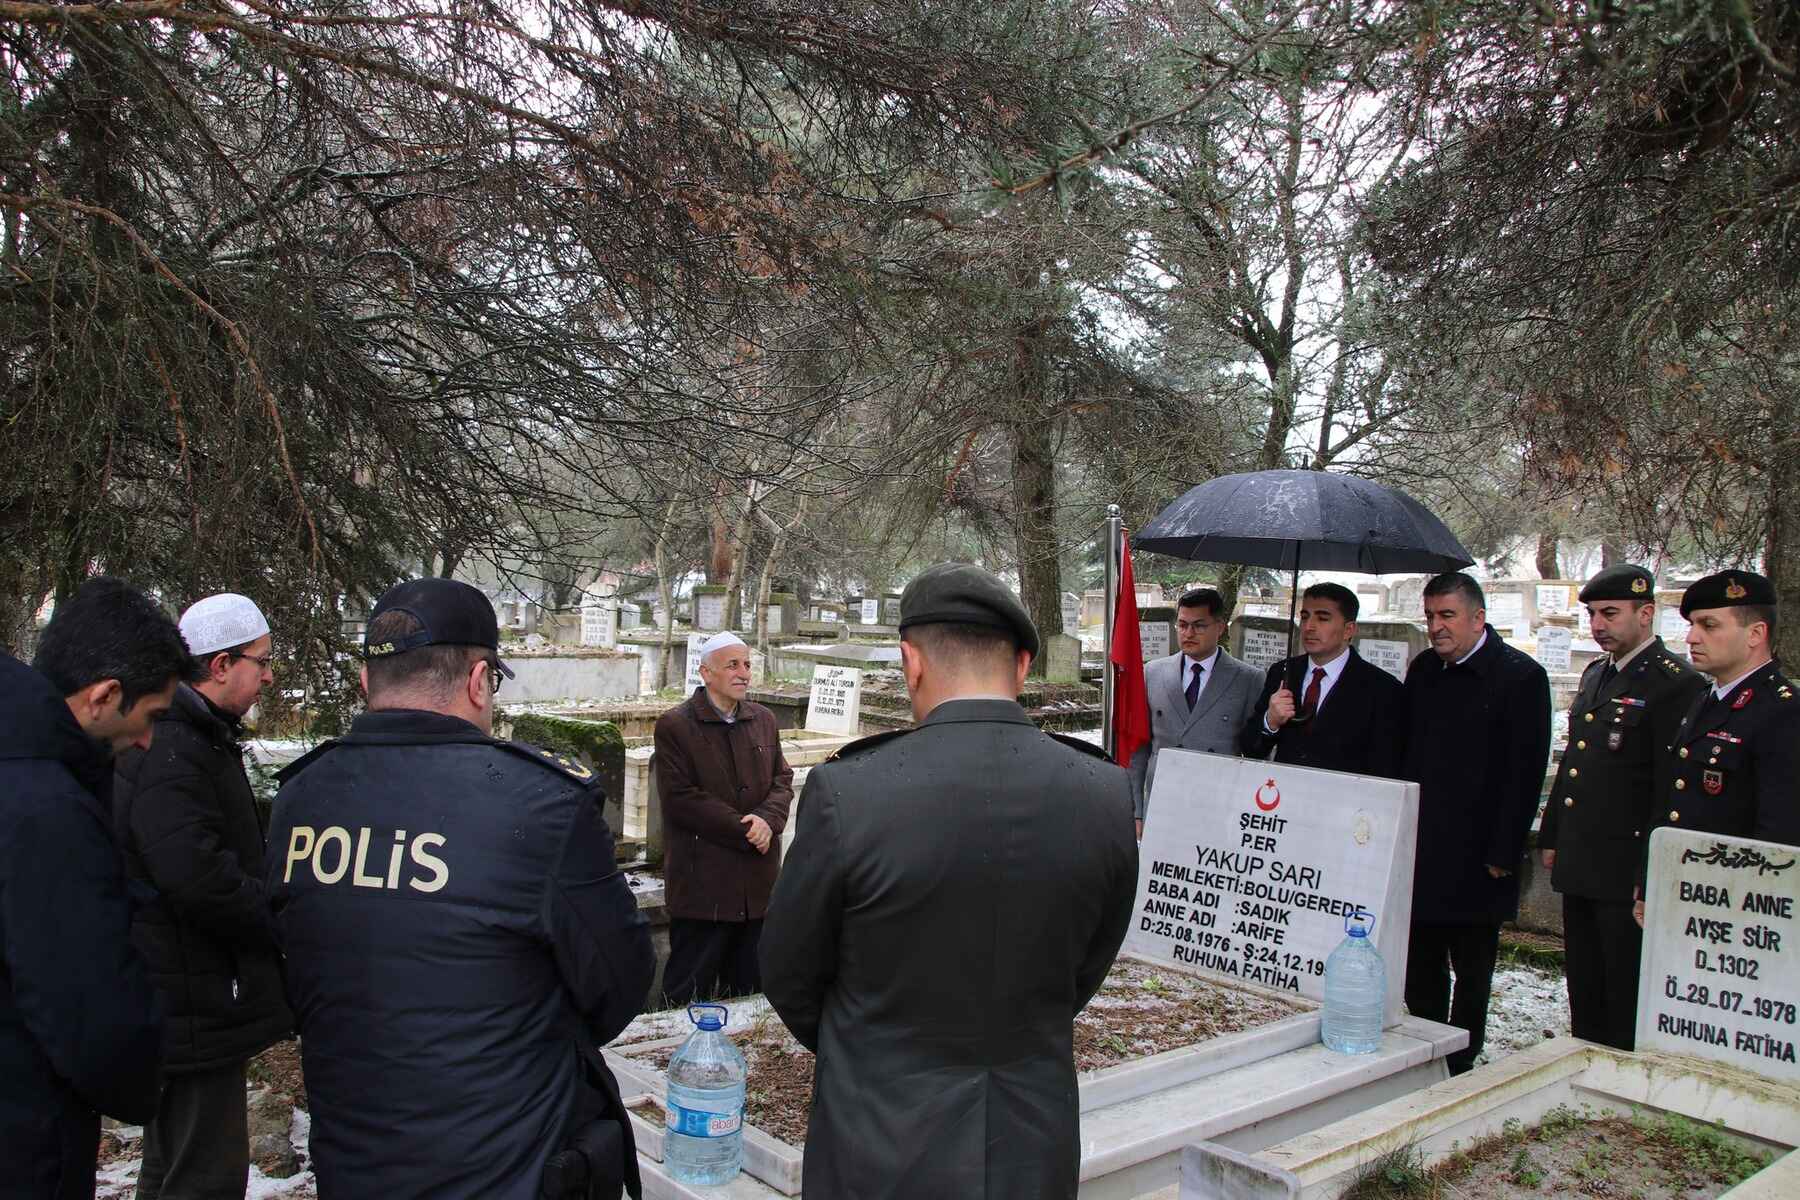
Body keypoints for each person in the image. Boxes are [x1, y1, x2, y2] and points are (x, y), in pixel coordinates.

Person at [760, 562, 1138, 1200]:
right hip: (1030, 1139)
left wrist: (869, 1045)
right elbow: (1086, 965)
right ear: (1022, 666)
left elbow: (788, 969)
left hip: (882, 1135)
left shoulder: (850, 793)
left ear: (910, 662)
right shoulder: (1103, 791)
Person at [266, 578, 653, 1200]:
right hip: (505, 1164)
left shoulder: (301, 798)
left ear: (369, 683)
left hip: (356, 1158)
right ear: (478, 681)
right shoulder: (541, 803)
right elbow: (619, 982)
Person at [1, 577, 189, 1200]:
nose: (147, 741)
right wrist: (140, 1076)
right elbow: (87, 1005)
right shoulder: (49, 812)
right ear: (104, 696)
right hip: (27, 1140)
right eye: (150, 717)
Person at [114, 593, 296, 1199]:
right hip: (190, 997)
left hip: (184, 995)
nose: (269, 675)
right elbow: (196, 875)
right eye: (261, 661)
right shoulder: (175, 744)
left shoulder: (191, 733)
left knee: (172, 1166)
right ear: (220, 666)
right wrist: (274, 914)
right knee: (206, 1175)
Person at [1535, 565, 1701, 1051]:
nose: (1598, 624)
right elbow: (1576, 766)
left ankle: (1619, 1066)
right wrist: (1552, 834)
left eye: (1610, 613)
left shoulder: (1674, 684)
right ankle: (1583, 1054)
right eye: (1592, 614)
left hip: (1624, 864)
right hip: (1581, 858)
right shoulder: (1596, 673)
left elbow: (1666, 790)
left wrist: (1649, 871)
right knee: (1584, 981)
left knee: (1622, 983)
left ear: (1646, 613)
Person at [1401, 571, 1550, 1075]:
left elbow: (1524, 772)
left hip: (1479, 854)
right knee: (1421, 961)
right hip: (1424, 846)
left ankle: (1462, 1059)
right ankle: (1422, 1050)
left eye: (1447, 616)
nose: (1436, 627)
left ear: (1478, 618)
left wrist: (1503, 853)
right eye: (1429, 617)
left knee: (1471, 967)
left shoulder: (1520, 677)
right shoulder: (1423, 670)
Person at [652, 630, 793, 1007]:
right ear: (706, 672)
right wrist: (746, 829)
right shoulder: (675, 726)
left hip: (757, 889)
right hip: (704, 888)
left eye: (747, 664)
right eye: (733, 665)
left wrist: (767, 819)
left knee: (749, 996)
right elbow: (682, 798)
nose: (743, 672)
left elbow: (782, 780)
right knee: (687, 996)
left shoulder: (763, 719)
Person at [1642, 570, 1800, 890]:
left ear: (1755, 633)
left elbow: (1778, 835)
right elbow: (1672, 800)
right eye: (1692, 625)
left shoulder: (1783, 710)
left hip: (1736, 898)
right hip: (1683, 886)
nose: (1692, 638)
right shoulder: (1706, 698)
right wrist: (1648, 880)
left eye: (1709, 625)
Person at [1130, 586, 1262, 837]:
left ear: (1220, 627)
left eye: (1199, 626)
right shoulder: (1153, 673)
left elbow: (1256, 753)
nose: (1188, 633)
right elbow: (1138, 748)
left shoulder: (1248, 679)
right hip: (1162, 803)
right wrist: (1136, 810)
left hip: (1219, 808)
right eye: (1182, 625)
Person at [1239, 583, 1407, 776]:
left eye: (1322, 618)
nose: (1309, 627)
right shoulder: (1283, 673)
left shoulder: (1383, 688)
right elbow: (1251, 748)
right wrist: (1270, 721)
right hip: (1283, 794)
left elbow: (1385, 766)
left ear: (1349, 630)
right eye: (1304, 617)